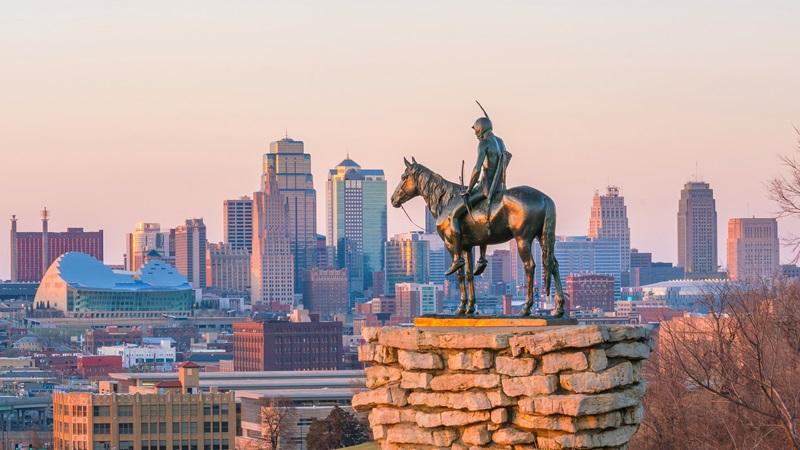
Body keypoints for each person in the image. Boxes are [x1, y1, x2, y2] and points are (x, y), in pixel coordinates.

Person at [445, 112, 510, 276]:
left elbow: (477, 169)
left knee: (454, 216)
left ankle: (458, 258)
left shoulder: (484, 144)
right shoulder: (500, 142)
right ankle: (481, 258)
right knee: (479, 217)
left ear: (480, 129)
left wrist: (469, 188)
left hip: (486, 188)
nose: (475, 134)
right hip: (501, 187)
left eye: (476, 131)